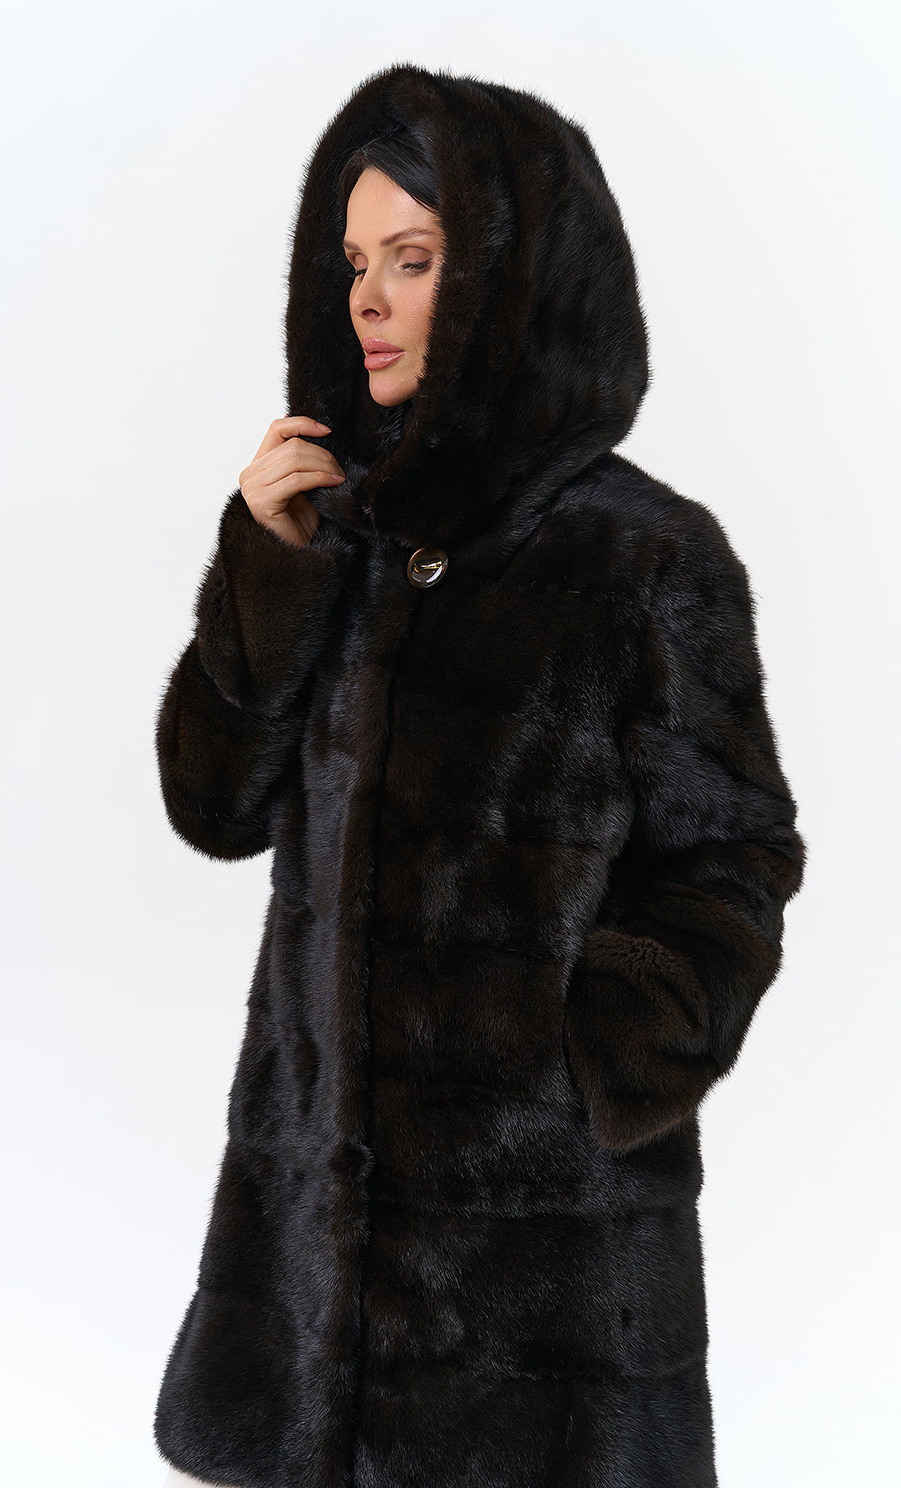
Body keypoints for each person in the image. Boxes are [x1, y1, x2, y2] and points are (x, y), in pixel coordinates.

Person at [154, 65, 805, 1488]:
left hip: (548, 1284)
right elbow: (215, 807)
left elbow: (735, 858)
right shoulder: (333, 535)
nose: (368, 301)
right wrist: (266, 569)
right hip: (316, 1266)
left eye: (414, 258)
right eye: (353, 264)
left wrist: (589, 1063)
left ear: (513, 277)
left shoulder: (645, 559)